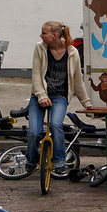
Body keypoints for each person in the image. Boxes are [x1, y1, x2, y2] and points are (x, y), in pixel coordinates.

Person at [27, 21, 94, 178]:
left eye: (44, 33)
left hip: (59, 96)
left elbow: (78, 79)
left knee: (56, 125)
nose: (40, 35)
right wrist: (41, 96)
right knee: (34, 132)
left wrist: (86, 103)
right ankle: (31, 160)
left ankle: (59, 163)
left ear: (55, 35)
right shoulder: (40, 48)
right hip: (39, 95)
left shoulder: (72, 52)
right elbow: (36, 75)